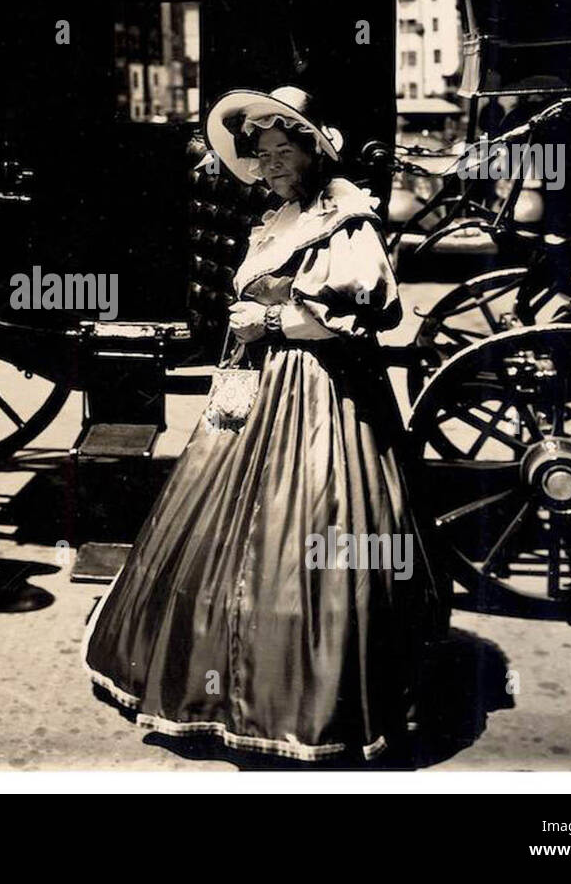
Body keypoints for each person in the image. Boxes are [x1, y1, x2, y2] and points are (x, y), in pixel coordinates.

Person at [84, 86, 446, 762]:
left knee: (315, 529)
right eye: (265, 154)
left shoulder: (343, 217)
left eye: (286, 151)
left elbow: (352, 317)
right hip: (259, 386)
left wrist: (271, 320)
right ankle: (220, 688)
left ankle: (305, 702)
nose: (275, 164)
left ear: (313, 152)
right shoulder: (283, 214)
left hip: (321, 393)